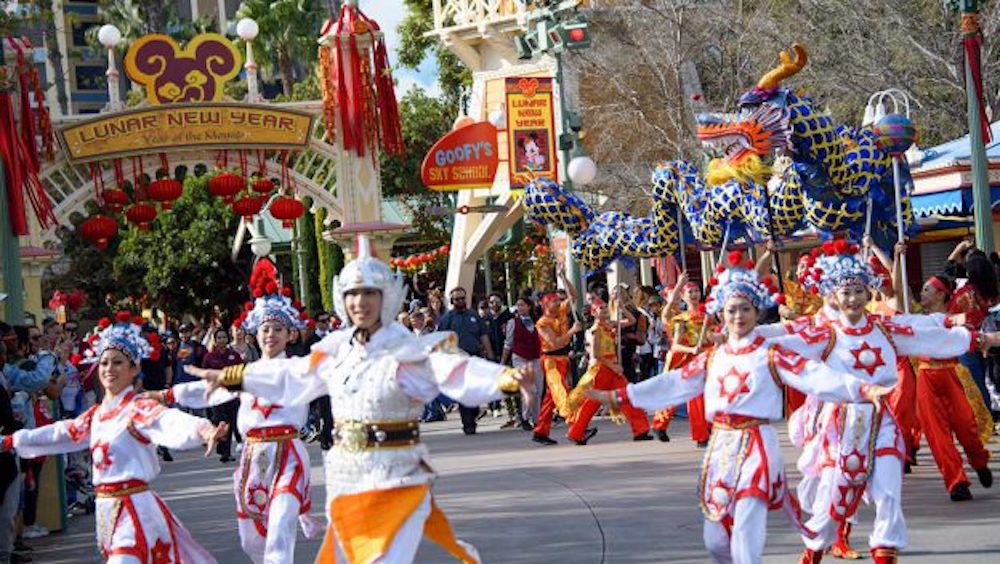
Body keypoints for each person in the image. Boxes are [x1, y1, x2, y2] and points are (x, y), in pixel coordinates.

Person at [186, 235, 524, 563]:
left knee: (384, 556)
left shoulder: (403, 348)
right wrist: (236, 376)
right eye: (352, 294)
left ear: (385, 298)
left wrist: (504, 378)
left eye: (368, 293)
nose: (359, 302)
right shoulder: (336, 351)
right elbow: (294, 375)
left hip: (398, 472)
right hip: (348, 473)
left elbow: (449, 369)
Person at [585, 249, 888, 564]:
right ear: (721, 314)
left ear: (756, 314)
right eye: (731, 310)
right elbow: (675, 382)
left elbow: (815, 376)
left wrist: (863, 389)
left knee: (747, 519)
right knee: (715, 538)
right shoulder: (714, 357)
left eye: (745, 309)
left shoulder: (772, 355)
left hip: (758, 442)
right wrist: (622, 396)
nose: (738, 316)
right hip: (722, 444)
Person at [756, 239, 1000, 564]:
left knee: (888, 492)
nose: (853, 298)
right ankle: (815, 550)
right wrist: (745, 340)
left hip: (881, 422)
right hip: (840, 425)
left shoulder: (884, 329)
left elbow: (921, 329)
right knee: (834, 496)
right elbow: (786, 339)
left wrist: (978, 337)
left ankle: (885, 551)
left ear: (868, 293)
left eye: (859, 291)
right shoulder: (825, 334)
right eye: (846, 293)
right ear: (834, 296)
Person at [1, 314, 226, 562]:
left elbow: (169, 421)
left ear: (134, 369)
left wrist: (203, 430)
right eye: (105, 363)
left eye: (118, 363)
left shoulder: (138, 408)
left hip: (135, 509)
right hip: (106, 512)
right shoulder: (96, 415)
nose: (109, 369)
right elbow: (62, 433)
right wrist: (11, 441)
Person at [153, 260, 322, 564]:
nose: (270, 334)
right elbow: (210, 391)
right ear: (256, 333)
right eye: (265, 328)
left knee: (282, 525)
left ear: (290, 335)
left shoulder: (297, 369)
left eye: (278, 329)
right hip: (253, 457)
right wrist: (165, 395)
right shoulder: (245, 372)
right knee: (251, 541)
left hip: (288, 454)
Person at [915, 274, 994, 501]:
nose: (922, 293)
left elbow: (972, 338)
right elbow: (895, 293)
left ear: (941, 294)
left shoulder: (955, 319)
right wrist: (898, 257)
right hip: (925, 375)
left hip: (952, 373)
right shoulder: (915, 319)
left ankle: (979, 461)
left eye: (927, 289)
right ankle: (957, 482)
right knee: (938, 436)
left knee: (966, 427)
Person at [566, 293, 652, 445]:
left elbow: (631, 320)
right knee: (592, 403)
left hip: (613, 369)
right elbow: (597, 354)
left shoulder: (610, 324)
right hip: (602, 369)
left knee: (627, 396)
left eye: (606, 307)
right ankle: (576, 432)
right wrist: (614, 366)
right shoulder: (595, 331)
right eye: (601, 308)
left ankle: (641, 430)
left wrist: (622, 308)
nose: (605, 309)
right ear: (594, 312)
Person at [652, 275, 714, 446]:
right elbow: (676, 344)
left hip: (705, 358)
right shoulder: (678, 317)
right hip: (682, 359)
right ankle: (700, 434)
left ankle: (707, 427)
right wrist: (679, 284)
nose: (694, 294)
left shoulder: (707, 315)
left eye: (696, 291)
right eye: (690, 292)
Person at [437, 286, 495, 435]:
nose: (460, 301)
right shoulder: (447, 319)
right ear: (452, 301)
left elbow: (483, 336)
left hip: (474, 358)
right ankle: (468, 423)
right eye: (457, 299)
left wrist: (490, 355)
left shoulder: (474, 315)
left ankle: (474, 412)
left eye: (462, 298)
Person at [531, 293, 584, 445]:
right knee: (562, 393)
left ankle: (540, 431)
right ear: (546, 305)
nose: (559, 303)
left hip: (562, 360)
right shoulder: (542, 323)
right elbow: (554, 343)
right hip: (551, 361)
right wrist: (572, 331)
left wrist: (563, 275)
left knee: (550, 399)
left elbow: (573, 296)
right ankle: (576, 428)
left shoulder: (560, 312)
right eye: (554, 301)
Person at [201, 327, 244, 463]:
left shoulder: (234, 355)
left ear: (228, 338)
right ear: (215, 340)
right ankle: (222, 446)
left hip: (231, 394)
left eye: (224, 337)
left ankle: (226, 453)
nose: (221, 340)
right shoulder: (210, 357)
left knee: (230, 421)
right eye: (219, 337)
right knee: (220, 420)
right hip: (216, 395)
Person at [501, 297, 542, 431]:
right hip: (520, 357)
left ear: (529, 307)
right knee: (530, 389)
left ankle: (536, 419)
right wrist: (503, 361)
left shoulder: (537, 322)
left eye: (523, 305)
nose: (520, 307)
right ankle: (524, 417)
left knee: (538, 390)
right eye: (518, 305)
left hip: (535, 357)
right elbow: (508, 343)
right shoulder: (513, 322)